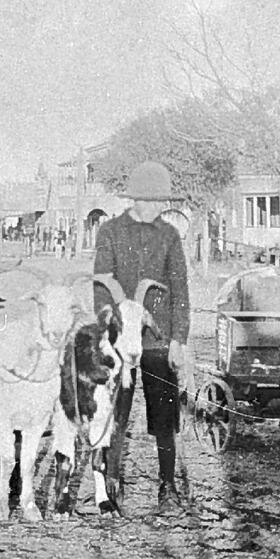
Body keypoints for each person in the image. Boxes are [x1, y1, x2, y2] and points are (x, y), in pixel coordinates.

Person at [92, 161, 193, 511]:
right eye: (146, 200)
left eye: (159, 201)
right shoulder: (109, 232)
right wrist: (109, 330)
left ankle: (167, 487)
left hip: (157, 343)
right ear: (133, 199)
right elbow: (101, 286)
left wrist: (178, 339)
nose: (153, 207)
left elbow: (180, 290)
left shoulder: (169, 235)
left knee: (164, 416)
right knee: (115, 414)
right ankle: (111, 482)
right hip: (121, 343)